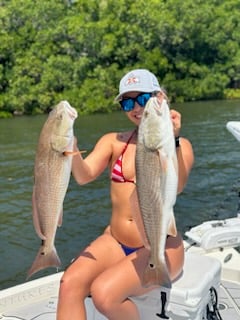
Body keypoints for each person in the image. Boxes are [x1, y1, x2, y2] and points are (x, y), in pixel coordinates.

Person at [56, 69, 194, 320]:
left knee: (104, 294)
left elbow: (179, 185)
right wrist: (71, 147)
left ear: (159, 97)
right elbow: (83, 175)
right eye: (127, 102)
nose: (135, 107)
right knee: (69, 284)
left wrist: (172, 138)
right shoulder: (114, 141)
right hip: (116, 242)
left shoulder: (179, 145)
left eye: (142, 99)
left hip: (160, 247)